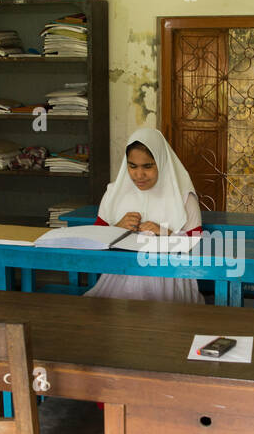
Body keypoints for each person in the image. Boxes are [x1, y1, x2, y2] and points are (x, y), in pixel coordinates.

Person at [84, 127, 203, 304]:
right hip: (122, 273)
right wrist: (117, 228)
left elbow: (198, 246)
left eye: (148, 166)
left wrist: (165, 232)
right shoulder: (114, 194)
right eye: (132, 166)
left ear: (161, 162)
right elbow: (95, 240)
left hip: (170, 276)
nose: (139, 175)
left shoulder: (184, 198)